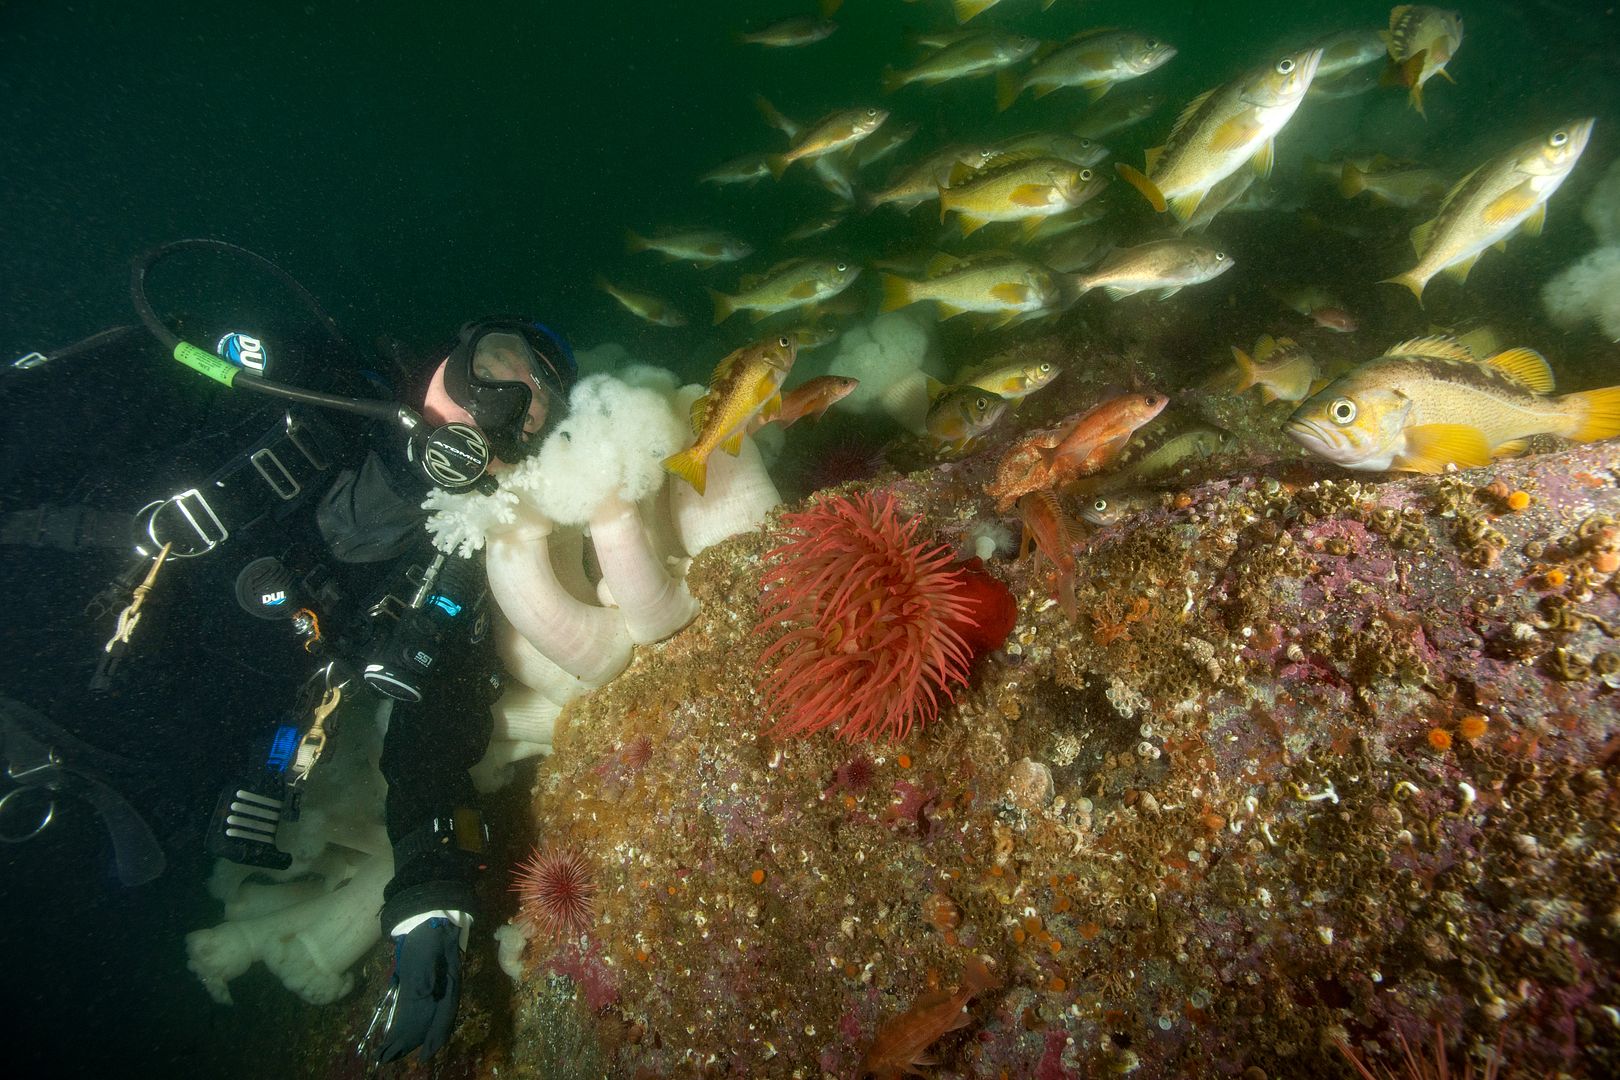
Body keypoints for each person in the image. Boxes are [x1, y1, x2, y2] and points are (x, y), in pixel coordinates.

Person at [0, 240, 578, 1063]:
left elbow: (437, 727)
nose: (497, 407)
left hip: (114, 811)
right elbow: (66, 412)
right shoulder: (287, 382)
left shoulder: (454, 558)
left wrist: (431, 894)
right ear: (452, 351)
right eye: (497, 368)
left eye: (529, 414)